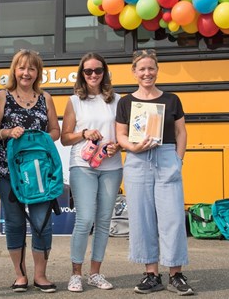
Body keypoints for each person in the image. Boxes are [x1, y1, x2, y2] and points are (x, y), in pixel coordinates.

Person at [115, 49, 194, 296]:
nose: (147, 73)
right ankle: (151, 274)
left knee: (172, 217)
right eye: (142, 69)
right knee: (141, 218)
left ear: (157, 70)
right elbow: (120, 135)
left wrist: (178, 159)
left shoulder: (171, 100)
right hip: (137, 160)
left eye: (151, 68)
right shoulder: (126, 102)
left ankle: (176, 274)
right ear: (134, 72)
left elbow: (181, 132)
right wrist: (132, 147)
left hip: (166, 156)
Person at [0, 49, 61, 293]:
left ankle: (41, 276)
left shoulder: (45, 98)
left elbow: (55, 131)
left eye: (31, 68)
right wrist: (8, 133)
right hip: (6, 172)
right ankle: (20, 275)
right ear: (14, 70)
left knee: (42, 223)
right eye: (21, 68)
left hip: (40, 174)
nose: (26, 73)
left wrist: (38, 138)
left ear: (37, 72)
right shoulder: (2, 96)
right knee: (15, 222)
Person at [60, 52, 122, 292]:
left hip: (112, 166)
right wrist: (84, 133)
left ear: (105, 72)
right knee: (85, 219)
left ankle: (95, 273)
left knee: (104, 221)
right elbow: (65, 138)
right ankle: (76, 274)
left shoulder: (117, 100)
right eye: (88, 71)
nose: (94, 75)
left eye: (98, 70)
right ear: (82, 74)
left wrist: (117, 145)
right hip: (83, 166)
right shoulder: (75, 101)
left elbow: (122, 133)